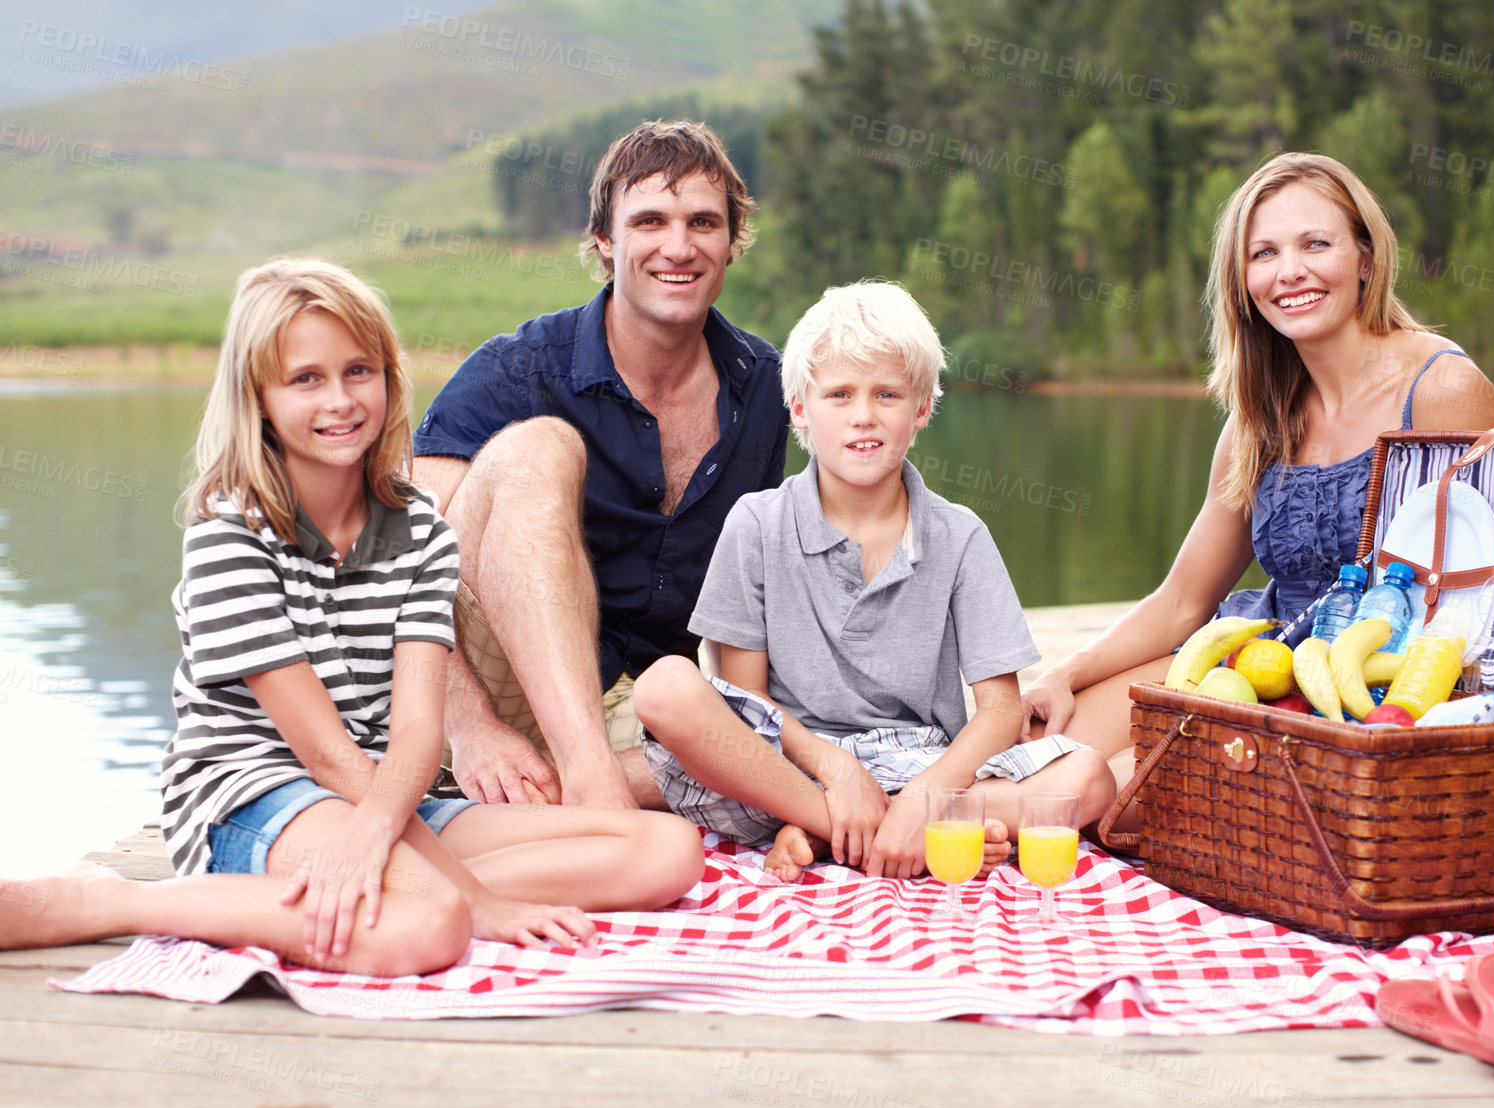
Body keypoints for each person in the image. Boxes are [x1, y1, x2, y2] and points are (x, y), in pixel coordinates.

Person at [0, 258, 704, 975]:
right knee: (427, 927)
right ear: (260, 399)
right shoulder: (228, 534)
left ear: (388, 380)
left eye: (358, 372)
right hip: (256, 794)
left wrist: (387, 837)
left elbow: (417, 733)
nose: (338, 400)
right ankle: (116, 902)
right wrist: (468, 901)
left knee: (662, 851)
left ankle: (384, 884)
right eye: (305, 379)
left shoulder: (419, 530)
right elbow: (320, 752)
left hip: (385, 794)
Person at [1019, 152, 1494, 809]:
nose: (1289, 273)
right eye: (1263, 253)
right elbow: (1182, 602)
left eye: (1316, 244)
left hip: (1379, 693)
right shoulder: (1257, 418)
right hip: (1260, 655)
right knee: (1040, 747)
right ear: (1241, 278)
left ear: (1365, 256)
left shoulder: (1441, 390)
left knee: (1098, 792)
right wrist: (1061, 675)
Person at [631, 281, 1115, 882]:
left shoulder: (961, 537)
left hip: (922, 763)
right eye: (839, 394)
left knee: (1089, 777)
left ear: (919, 410)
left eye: (887, 393)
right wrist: (834, 770)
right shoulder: (756, 525)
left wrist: (925, 797)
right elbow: (748, 705)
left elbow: (997, 710)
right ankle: (841, 823)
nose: (864, 416)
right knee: (664, 689)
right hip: (788, 769)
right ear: (801, 409)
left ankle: (854, 832)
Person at [411, 120, 787, 813]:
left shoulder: (764, 386)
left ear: (730, 243)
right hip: (465, 682)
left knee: (786, 750)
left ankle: (557, 790)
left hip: (628, 700)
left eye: (702, 222)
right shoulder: (515, 368)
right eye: (649, 220)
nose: (678, 246)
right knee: (539, 449)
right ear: (605, 242)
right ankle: (581, 782)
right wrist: (468, 728)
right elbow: (387, 561)